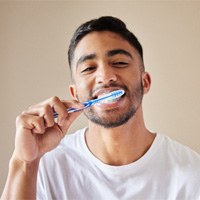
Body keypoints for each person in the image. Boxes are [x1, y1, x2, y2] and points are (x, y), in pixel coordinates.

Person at [1, 16, 200, 200]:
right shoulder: (44, 166)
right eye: (88, 68)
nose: (105, 76)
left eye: (120, 62)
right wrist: (24, 163)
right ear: (75, 94)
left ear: (145, 82)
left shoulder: (192, 174)